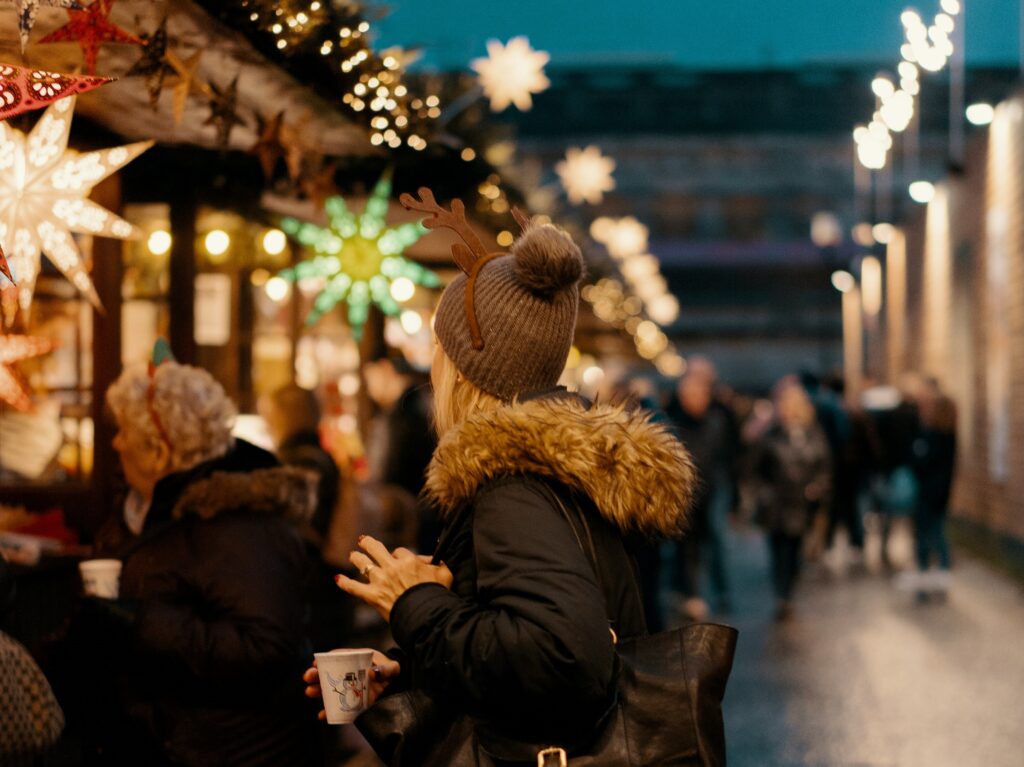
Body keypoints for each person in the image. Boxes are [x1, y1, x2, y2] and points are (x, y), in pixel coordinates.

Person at [305, 206, 697, 760]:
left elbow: (562, 659)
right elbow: (517, 642)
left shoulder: (513, 486)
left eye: (441, 348)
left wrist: (413, 603)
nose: (433, 364)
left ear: (466, 369)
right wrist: (412, 667)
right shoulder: (553, 468)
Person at [74, 355, 320, 765]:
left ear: (158, 448)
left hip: (227, 754)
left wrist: (141, 622)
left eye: (123, 432)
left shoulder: (240, 524)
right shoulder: (141, 511)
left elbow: (268, 648)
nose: (115, 443)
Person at [754, 381, 831, 620]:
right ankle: (782, 594)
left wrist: (818, 487)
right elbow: (756, 467)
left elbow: (824, 465)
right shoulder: (771, 434)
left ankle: (787, 592)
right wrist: (763, 493)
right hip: (777, 502)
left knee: (793, 550)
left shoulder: (813, 434)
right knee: (778, 551)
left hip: (801, 503)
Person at [666, 370, 731, 619]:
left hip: (712, 490)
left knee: (716, 543)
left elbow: (725, 456)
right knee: (687, 548)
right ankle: (691, 593)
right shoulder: (674, 423)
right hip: (686, 495)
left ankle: (721, 592)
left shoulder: (717, 421)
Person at [363, 356, 438, 553]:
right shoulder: (418, 405)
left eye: (370, 378)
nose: (369, 388)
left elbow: (391, 473)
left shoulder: (405, 414)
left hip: (411, 523)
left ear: (385, 368)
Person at [909, 389, 957, 600]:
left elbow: (920, 463)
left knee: (925, 539)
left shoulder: (930, 436)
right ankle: (940, 581)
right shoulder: (950, 436)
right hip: (940, 494)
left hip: (927, 494)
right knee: (938, 536)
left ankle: (925, 583)